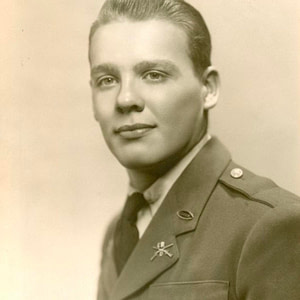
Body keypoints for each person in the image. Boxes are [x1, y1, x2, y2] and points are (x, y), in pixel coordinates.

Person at [88, 0, 300, 299]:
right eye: (107, 80)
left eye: (153, 74)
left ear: (208, 88)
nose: (125, 99)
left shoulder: (269, 226)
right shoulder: (119, 233)